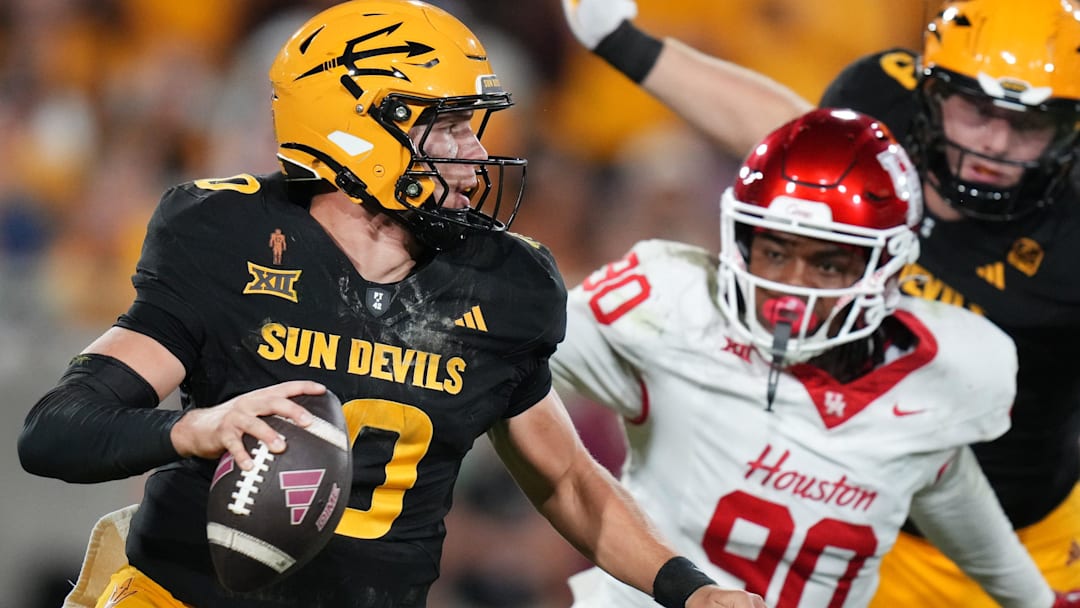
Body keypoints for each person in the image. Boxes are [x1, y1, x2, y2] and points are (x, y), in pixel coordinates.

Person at [16, 2, 767, 607]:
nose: (474, 152)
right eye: (446, 125)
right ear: (351, 127)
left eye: (472, 124)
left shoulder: (502, 283)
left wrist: (689, 590)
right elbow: (55, 431)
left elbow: (566, 478)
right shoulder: (229, 236)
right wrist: (195, 427)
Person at [561, 0, 1080, 606]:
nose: (996, 143)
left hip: (1021, 526)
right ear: (930, 91)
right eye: (977, 109)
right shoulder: (880, 103)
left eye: (1029, 124)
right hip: (836, 502)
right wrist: (622, 43)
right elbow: (786, 130)